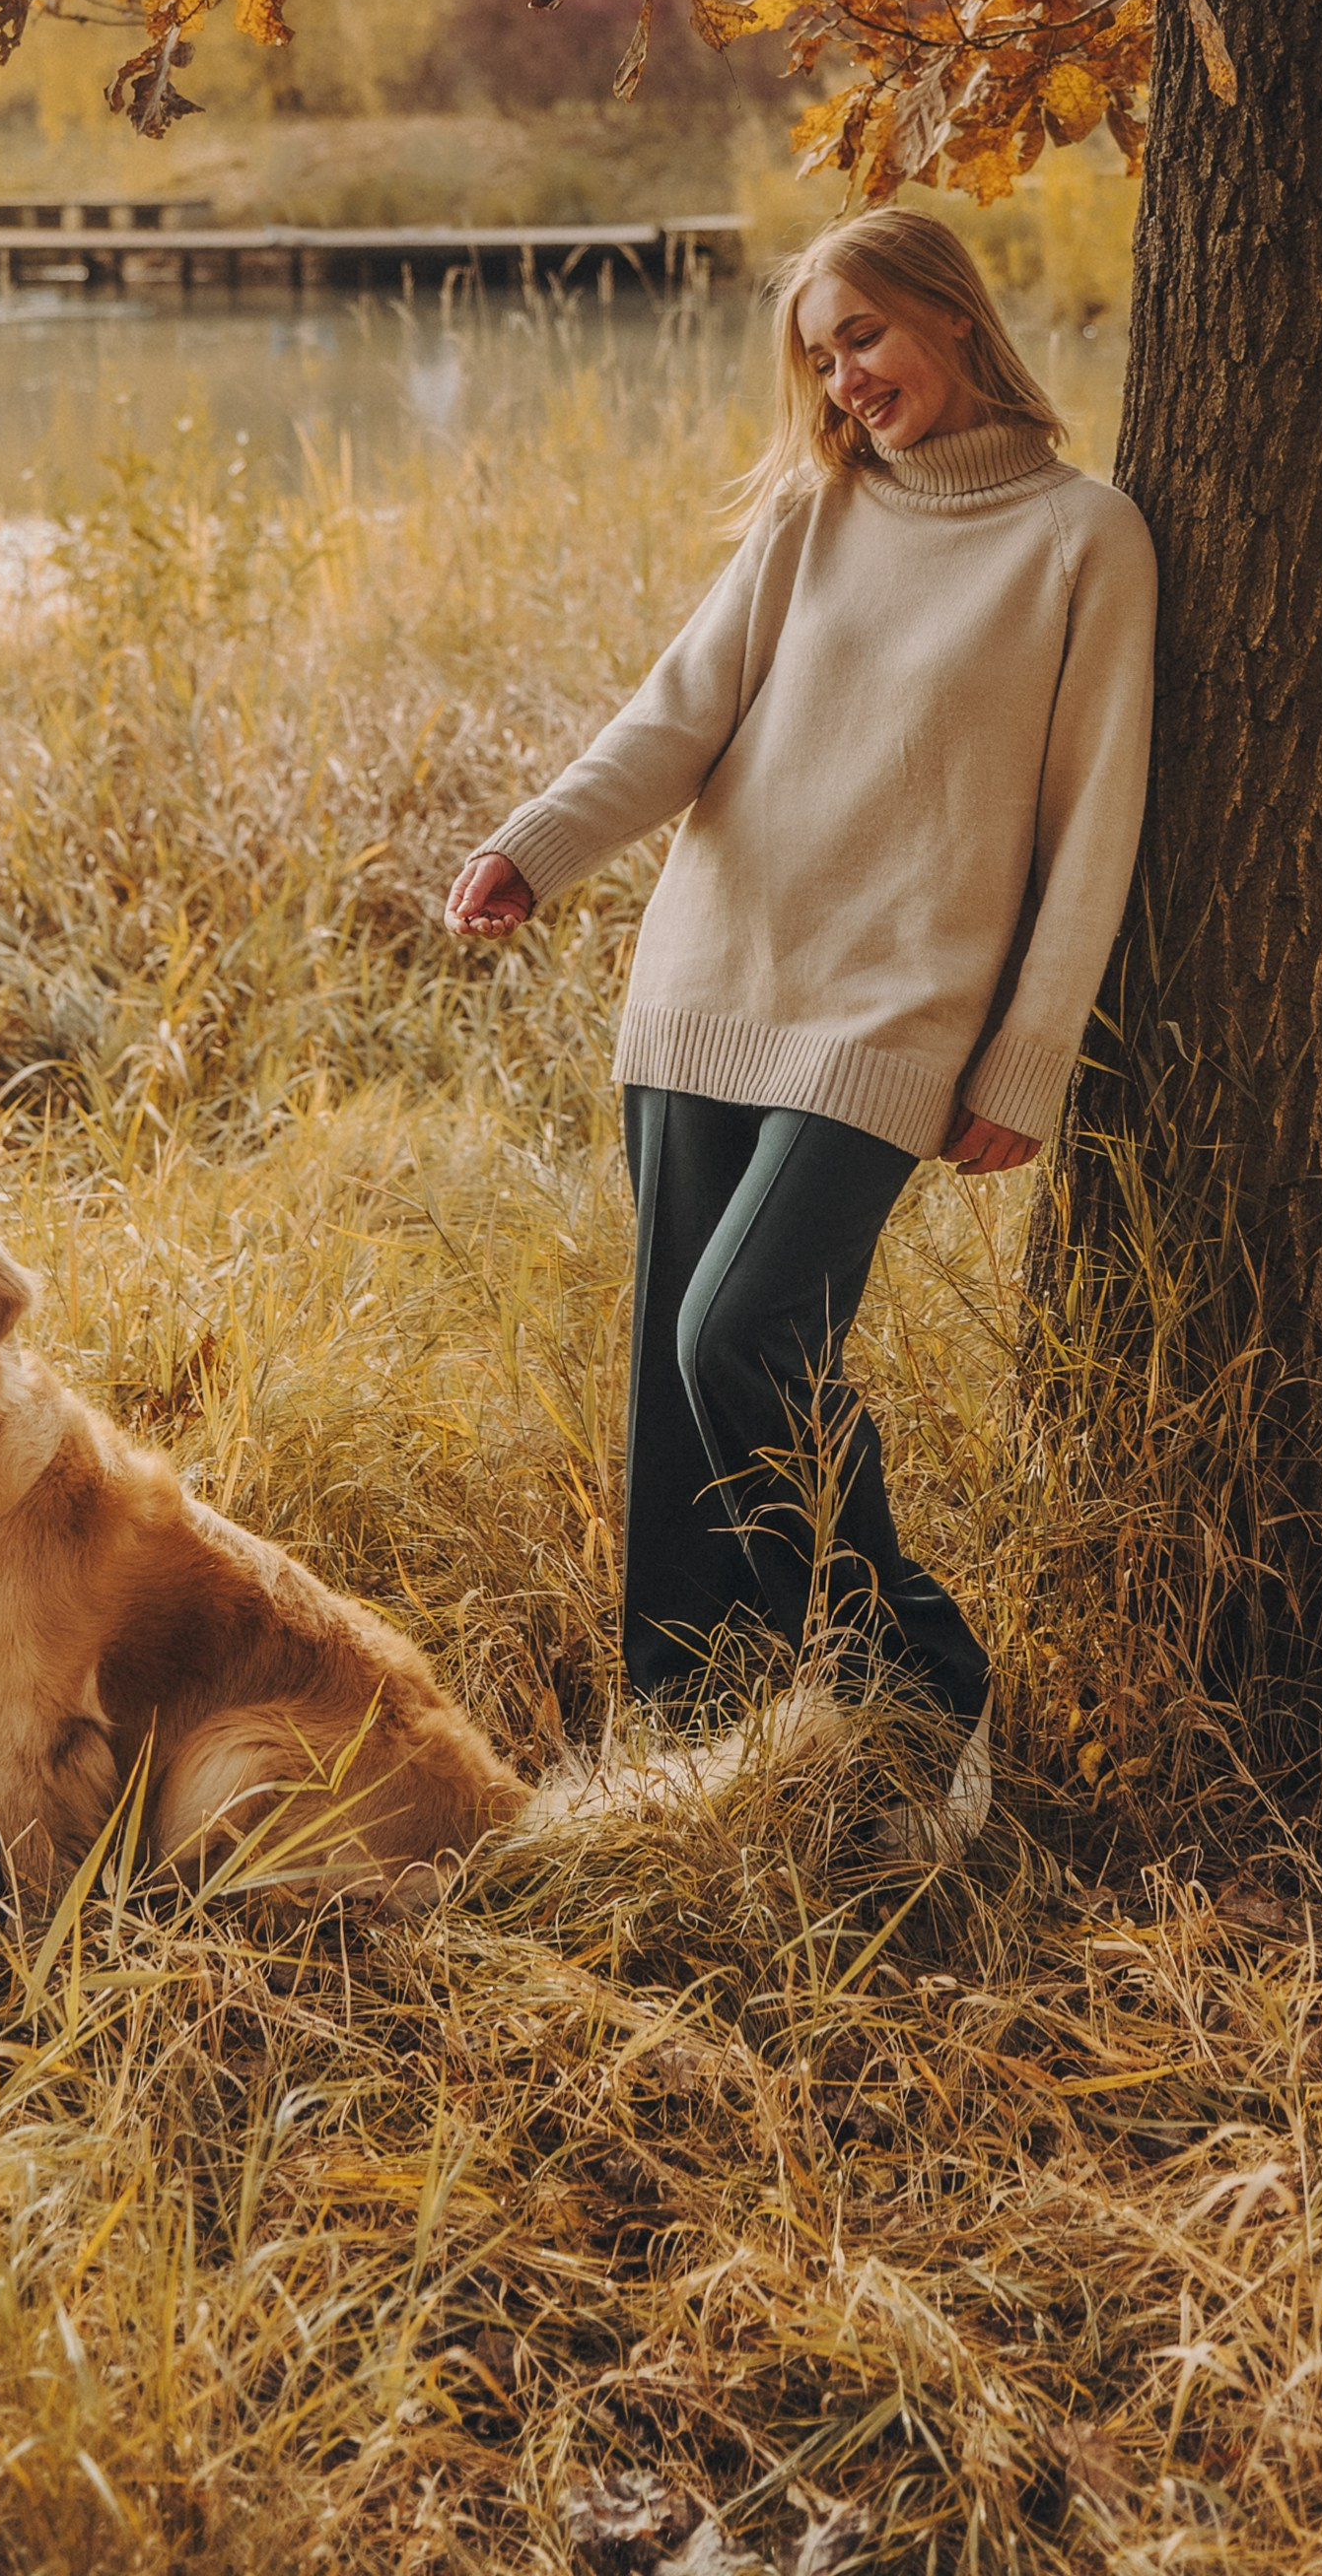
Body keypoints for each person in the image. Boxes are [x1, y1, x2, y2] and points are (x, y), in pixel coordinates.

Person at [447, 208, 1156, 1843]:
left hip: (893, 1018)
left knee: (741, 1340)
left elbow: (1094, 821)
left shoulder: (1084, 538)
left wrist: (1028, 1055)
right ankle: (691, 1739)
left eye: (866, 340)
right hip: (709, 985)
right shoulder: (815, 513)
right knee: (669, 1395)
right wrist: (534, 845)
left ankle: (918, 1682)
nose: (845, 381)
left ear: (955, 321)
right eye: (821, 357)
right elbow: (679, 714)